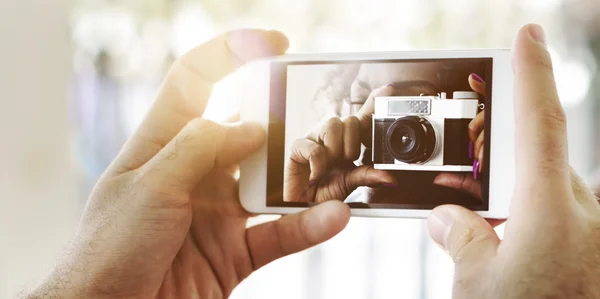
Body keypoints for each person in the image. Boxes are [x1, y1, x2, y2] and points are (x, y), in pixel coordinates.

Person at [22, 24, 600, 299]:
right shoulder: (335, 179)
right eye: (388, 119)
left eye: (423, 115)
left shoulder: (482, 179)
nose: (407, 136)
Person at [284, 61, 487, 205]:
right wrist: (304, 205)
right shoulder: (343, 207)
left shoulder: (480, 210)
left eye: (411, 101)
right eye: (360, 99)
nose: (373, 116)